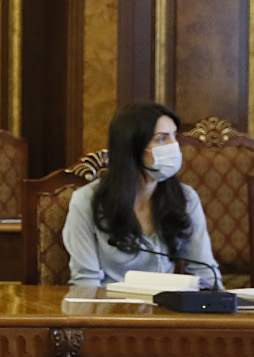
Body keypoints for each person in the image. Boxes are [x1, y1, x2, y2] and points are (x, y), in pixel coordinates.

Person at [63, 102, 220, 287]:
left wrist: (220, 299)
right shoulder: (86, 201)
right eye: (162, 139)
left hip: (166, 303)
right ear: (132, 146)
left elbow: (206, 272)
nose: (174, 146)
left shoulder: (186, 198)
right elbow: (85, 281)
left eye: (174, 136)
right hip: (109, 303)